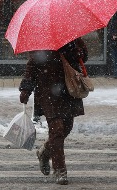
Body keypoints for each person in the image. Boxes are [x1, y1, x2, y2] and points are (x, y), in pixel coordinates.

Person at [19, 37, 87, 185]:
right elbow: (32, 67)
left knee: (67, 128)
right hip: (48, 91)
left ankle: (44, 152)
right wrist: (25, 89)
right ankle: (60, 170)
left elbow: (84, 57)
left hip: (69, 89)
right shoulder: (41, 40)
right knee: (57, 130)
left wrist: (78, 52)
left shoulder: (73, 36)